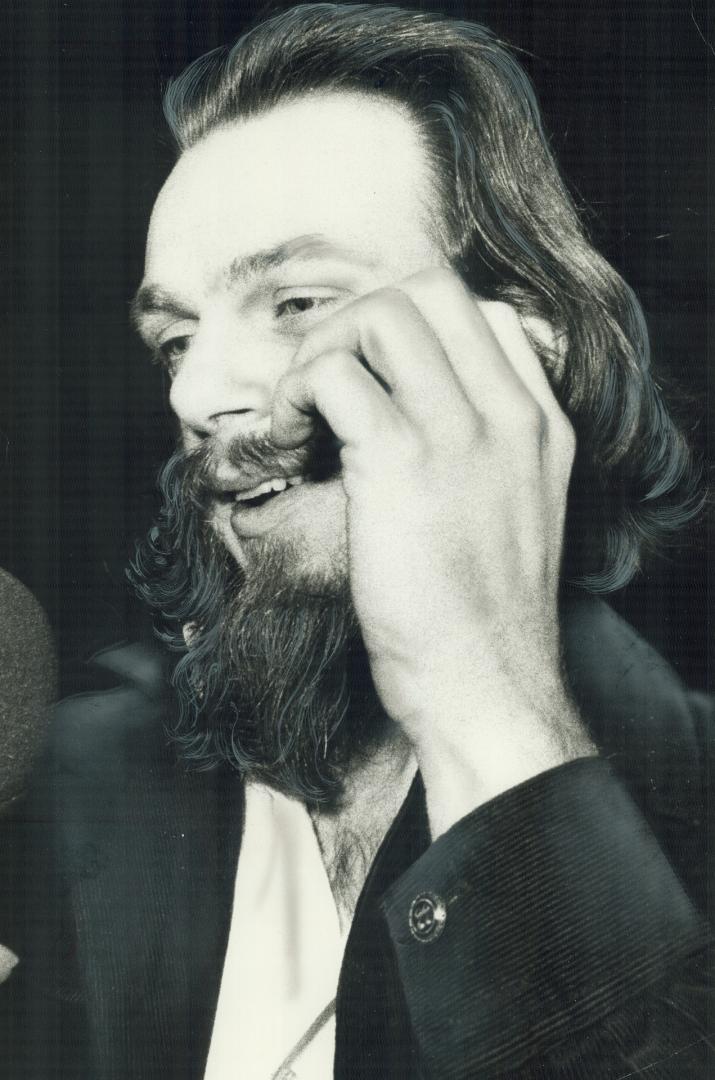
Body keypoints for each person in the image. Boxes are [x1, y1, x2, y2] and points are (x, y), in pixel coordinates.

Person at [14, 4, 713, 1077]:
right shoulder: (63, 784)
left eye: (295, 302)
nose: (199, 395)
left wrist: (479, 696)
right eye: (176, 339)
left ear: (528, 349)